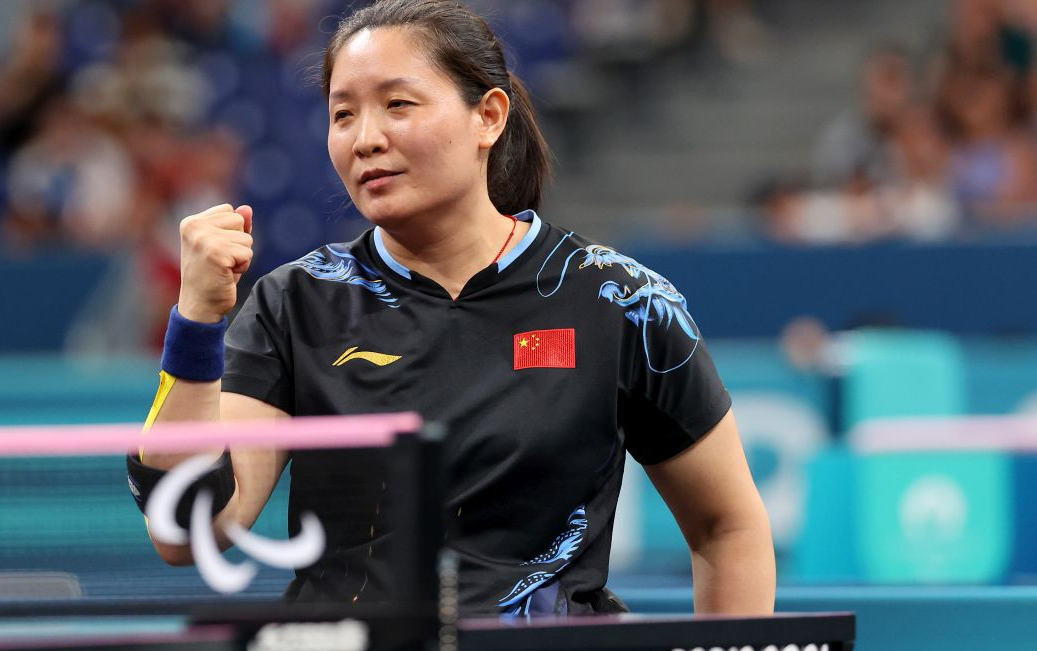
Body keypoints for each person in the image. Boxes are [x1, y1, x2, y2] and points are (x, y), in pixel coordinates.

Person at [132, 0, 774, 617]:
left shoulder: (621, 302)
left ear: (489, 117)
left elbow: (727, 525)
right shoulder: (293, 303)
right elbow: (188, 532)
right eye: (343, 114)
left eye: (398, 105)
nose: (366, 138)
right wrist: (196, 325)